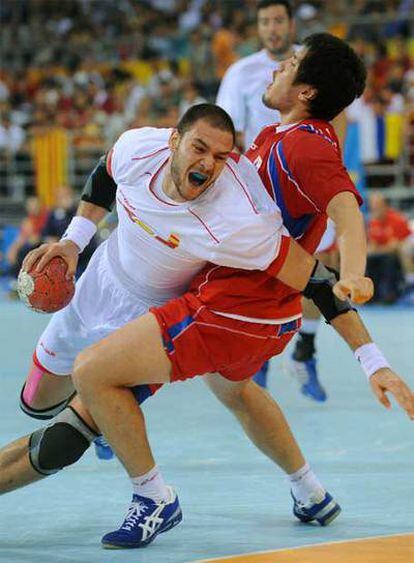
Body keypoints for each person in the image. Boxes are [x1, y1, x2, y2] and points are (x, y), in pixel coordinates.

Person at [1, 39, 412, 549]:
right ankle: (310, 492)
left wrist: (363, 312)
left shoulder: (284, 163)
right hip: (208, 298)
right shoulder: (254, 139)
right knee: (232, 390)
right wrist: (72, 241)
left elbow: (331, 238)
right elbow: (106, 174)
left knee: (89, 386)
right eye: (199, 148)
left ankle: (153, 496)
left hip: (231, 307)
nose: (275, 64)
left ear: (305, 90)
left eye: (288, 64)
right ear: (174, 140)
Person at [215, 1, 343, 397]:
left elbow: (336, 119)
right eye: (265, 22)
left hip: (305, 178)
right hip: (261, 188)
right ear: (258, 27)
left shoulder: (311, 67)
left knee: (324, 265)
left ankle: (304, 349)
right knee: (267, 273)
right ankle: (261, 359)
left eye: (278, 20)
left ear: (290, 24)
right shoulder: (241, 73)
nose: (272, 28)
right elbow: (228, 132)